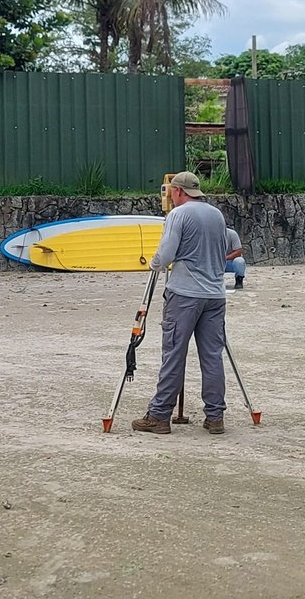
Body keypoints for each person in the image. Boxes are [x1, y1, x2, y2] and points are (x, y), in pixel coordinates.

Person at [133, 171, 231, 435]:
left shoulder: (178, 215)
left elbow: (165, 255)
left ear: (177, 191)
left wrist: (154, 264)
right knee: (212, 356)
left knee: (174, 354)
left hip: (185, 295)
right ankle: (215, 417)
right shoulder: (216, 214)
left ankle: (159, 415)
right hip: (215, 294)